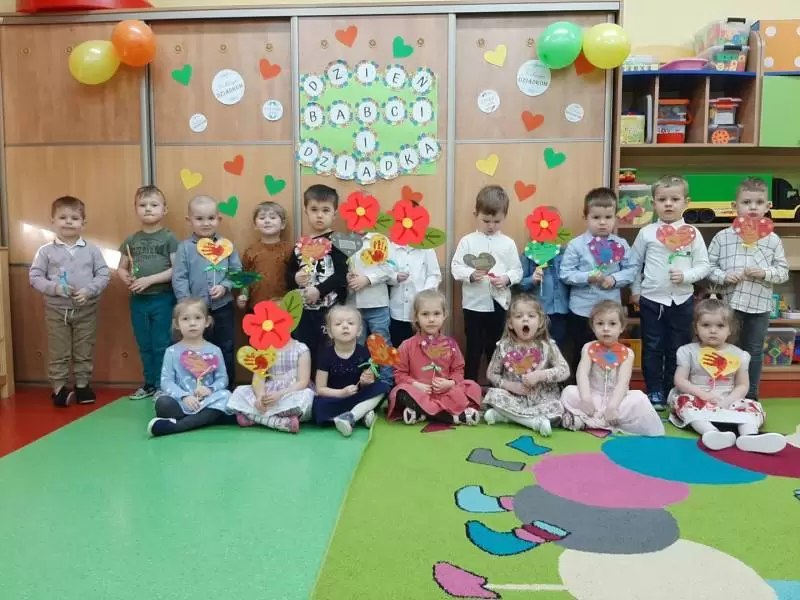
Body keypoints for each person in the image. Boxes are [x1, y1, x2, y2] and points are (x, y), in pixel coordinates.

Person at [629, 175, 710, 410]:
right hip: (651, 300)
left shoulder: (692, 233)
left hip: (682, 300)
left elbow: (703, 266)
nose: (668, 204)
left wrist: (686, 276)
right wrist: (636, 291)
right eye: (662, 199)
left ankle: (673, 388)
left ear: (686, 202)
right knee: (652, 347)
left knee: (679, 347)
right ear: (653, 203)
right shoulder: (647, 233)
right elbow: (634, 264)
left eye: (675, 199)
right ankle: (654, 390)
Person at [668, 298, 786, 454]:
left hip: (728, 400)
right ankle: (712, 433)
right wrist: (704, 395)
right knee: (683, 402)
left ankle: (749, 436)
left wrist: (727, 401)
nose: (713, 330)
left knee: (753, 406)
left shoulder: (739, 355)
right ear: (696, 328)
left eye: (720, 326)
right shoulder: (687, 351)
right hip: (698, 399)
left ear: (730, 329)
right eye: (706, 325)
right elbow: (680, 380)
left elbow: (742, 385)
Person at [707, 177, 789, 400]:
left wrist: (764, 273)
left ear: (768, 206)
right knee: (725, 348)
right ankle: (724, 392)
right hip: (728, 306)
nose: (753, 207)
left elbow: (783, 272)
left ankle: (750, 395)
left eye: (759, 202)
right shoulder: (723, 237)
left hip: (759, 306)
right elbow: (708, 267)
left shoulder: (773, 240)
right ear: (735, 206)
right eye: (746, 202)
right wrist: (724, 276)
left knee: (753, 351)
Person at [29, 196, 110, 407]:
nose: (68, 222)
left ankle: (82, 385)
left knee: (84, 350)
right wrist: (56, 288)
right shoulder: (45, 251)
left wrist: (89, 291)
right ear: (52, 221)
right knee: (59, 351)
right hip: (56, 312)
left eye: (74, 218)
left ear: (83, 223)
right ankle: (59, 388)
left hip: (86, 310)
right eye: (62, 217)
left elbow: (103, 275)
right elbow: (35, 277)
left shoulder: (92, 250)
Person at [560, 188, 637, 375]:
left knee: (608, 352)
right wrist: (587, 277)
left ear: (615, 218)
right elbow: (565, 273)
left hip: (610, 313)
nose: (602, 222)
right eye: (596, 217)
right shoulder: (576, 245)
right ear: (585, 217)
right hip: (582, 311)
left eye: (608, 217)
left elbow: (632, 270)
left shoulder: (620, 245)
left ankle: (607, 385)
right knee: (580, 353)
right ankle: (579, 387)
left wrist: (614, 279)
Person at [451, 185, 523, 381]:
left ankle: (498, 387)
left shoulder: (508, 243)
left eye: (497, 221)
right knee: (473, 348)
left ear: (505, 216)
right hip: (473, 305)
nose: (491, 226)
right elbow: (456, 267)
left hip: (499, 304)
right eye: (486, 220)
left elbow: (517, 270)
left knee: (496, 347)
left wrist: (506, 279)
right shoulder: (467, 241)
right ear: (476, 214)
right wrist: (471, 274)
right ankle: (470, 386)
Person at [561, 300, 664, 436]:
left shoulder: (627, 353)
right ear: (593, 327)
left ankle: (588, 422)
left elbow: (623, 382)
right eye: (600, 324)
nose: (606, 328)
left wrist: (613, 406)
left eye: (612, 324)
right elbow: (582, 374)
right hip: (593, 397)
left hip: (617, 399)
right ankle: (599, 421)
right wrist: (586, 398)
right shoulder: (588, 348)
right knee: (568, 392)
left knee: (640, 399)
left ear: (622, 327)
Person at [172, 195, 242, 389]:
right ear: (189, 220)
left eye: (211, 218)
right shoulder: (184, 248)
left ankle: (226, 387)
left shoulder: (227, 245)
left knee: (226, 347)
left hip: (222, 307)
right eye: (199, 218)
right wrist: (187, 305)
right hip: (195, 312)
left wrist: (225, 286)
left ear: (219, 219)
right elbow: (179, 278)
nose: (206, 223)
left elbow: (236, 272)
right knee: (198, 348)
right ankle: (200, 387)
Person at [117, 185, 178, 400]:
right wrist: (124, 276)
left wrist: (149, 280)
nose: (148, 209)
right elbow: (121, 267)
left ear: (164, 209)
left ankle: (163, 385)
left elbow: (176, 270)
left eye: (154, 205)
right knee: (144, 344)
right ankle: (149, 384)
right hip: (138, 301)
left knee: (162, 344)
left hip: (162, 299)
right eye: (143, 205)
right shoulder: (131, 240)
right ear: (136, 209)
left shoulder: (169, 238)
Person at [387, 289, 482, 425]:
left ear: (444, 315)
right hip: (419, 393)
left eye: (436, 314)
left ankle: (422, 412)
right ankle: (451, 417)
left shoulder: (450, 344)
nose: (431, 319)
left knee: (473, 387)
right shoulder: (406, 346)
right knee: (400, 392)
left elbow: (458, 370)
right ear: (416, 317)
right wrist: (416, 385)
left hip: (446, 394)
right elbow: (399, 374)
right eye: (425, 314)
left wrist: (450, 383)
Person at [483, 293, 569, 435]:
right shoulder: (504, 346)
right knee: (493, 395)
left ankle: (506, 417)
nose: (525, 319)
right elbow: (491, 373)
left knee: (557, 407)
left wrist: (540, 375)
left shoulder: (548, 345)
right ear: (510, 324)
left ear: (540, 322)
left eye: (531, 316)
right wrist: (510, 385)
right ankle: (533, 423)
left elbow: (564, 370)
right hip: (513, 398)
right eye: (519, 316)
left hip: (542, 400)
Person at [286, 184, 348, 372]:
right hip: (304, 311)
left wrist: (319, 290)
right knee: (304, 348)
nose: (319, 215)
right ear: (306, 211)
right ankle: (306, 381)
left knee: (328, 349)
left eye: (325, 210)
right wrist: (295, 277)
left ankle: (326, 382)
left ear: (334, 214)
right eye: (314, 209)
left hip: (329, 310)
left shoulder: (338, 242)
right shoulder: (300, 245)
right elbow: (288, 274)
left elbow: (341, 276)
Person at [148, 298, 232, 437]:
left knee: (227, 396)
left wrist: (210, 389)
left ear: (207, 322)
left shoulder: (215, 350)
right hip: (181, 402)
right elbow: (166, 381)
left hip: (208, 401)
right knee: (163, 403)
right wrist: (184, 396)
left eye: (198, 318)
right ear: (176, 324)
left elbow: (222, 379)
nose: (192, 323)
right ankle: (203, 419)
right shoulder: (171, 351)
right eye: (185, 319)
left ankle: (178, 426)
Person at [312, 305, 390, 437]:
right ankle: (361, 414)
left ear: (359, 331)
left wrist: (366, 382)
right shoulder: (325, 355)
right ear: (330, 332)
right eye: (338, 324)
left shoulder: (364, 353)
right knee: (318, 407)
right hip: (335, 398)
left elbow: (368, 383)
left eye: (350, 323)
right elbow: (320, 389)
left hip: (357, 397)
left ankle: (352, 416)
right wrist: (341, 393)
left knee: (382, 387)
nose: (345, 326)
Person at [227, 338, 314, 434]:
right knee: (239, 392)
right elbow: (258, 378)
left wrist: (280, 394)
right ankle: (280, 422)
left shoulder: (301, 348)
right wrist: (260, 397)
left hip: (290, 392)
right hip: (269, 393)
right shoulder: (265, 348)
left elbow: (303, 382)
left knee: (306, 396)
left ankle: (255, 417)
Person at [519, 207, 569, 352]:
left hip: (561, 311)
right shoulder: (529, 254)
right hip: (537, 312)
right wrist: (531, 279)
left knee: (557, 348)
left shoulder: (565, 253)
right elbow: (519, 283)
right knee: (536, 348)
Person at [347, 231, 394, 384]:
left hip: (377, 304)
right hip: (353, 305)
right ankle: (358, 382)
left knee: (381, 343)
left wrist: (368, 279)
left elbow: (389, 268)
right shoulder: (346, 240)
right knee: (356, 344)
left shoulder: (379, 239)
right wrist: (347, 277)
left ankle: (386, 382)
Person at [236, 201, 294, 311]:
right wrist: (243, 295)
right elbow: (245, 279)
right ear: (255, 225)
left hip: (283, 306)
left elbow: (294, 277)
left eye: (272, 217)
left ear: (283, 224)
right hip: (256, 306)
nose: (267, 221)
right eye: (262, 218)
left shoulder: (289, 249)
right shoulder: (250, 251)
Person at [388, 238, 442, 347]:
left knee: (422, 347)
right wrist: (395, 277)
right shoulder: (391, 247)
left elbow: (434, 275)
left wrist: (423, 296)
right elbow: (385, 274)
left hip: (421, 311)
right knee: (398, 348)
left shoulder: (427, 248)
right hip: (397, 311)